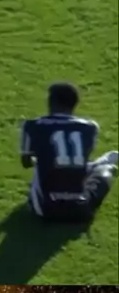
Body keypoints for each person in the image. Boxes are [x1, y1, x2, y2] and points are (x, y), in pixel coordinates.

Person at [20, 82, 118, 222]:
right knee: (103, 171)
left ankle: (98, 165)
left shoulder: (32, 125)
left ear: (50, 102)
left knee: (45, 167)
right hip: (80, 210)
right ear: (75, 104)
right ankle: (103, 166)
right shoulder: (90, 127)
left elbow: (26, 163)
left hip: (44, 209)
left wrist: (43, 159)